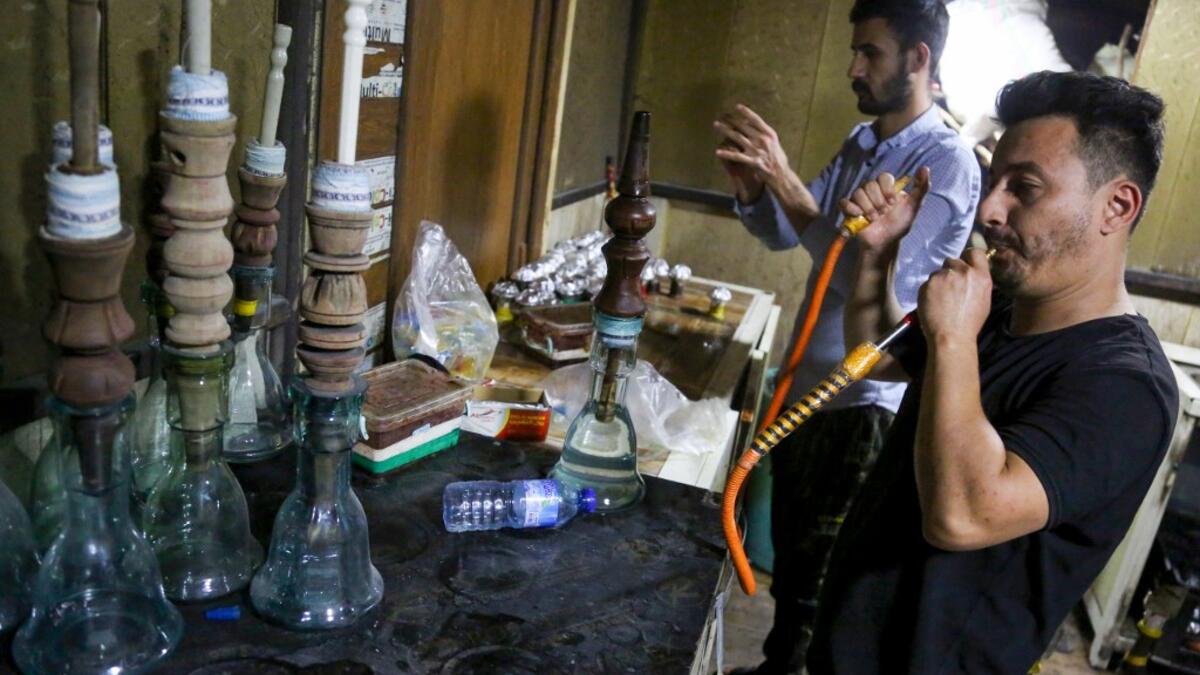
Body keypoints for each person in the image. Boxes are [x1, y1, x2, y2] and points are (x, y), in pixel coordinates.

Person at [807, 70, 1178, 673]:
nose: (989, 209)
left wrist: (953, 336)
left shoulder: (1126, 386)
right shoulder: (1001, 308)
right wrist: (876, 254)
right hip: (850, 642)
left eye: (1023, 188)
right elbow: (874, 353)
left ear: (1117, 205)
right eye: (992, 179)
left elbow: (963, 515)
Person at [713, 1, 978, 671]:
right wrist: (755, 192)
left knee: (824, 582)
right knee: (794, 564)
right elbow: (788, 233)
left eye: (872, 54)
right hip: (810, 389)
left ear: (918, 59)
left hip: (863, 404)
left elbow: (881, 289)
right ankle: (779, 666)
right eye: (854, 51)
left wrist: (787, 183)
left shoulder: (943, 163)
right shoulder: (865, 145)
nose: (854, 68)